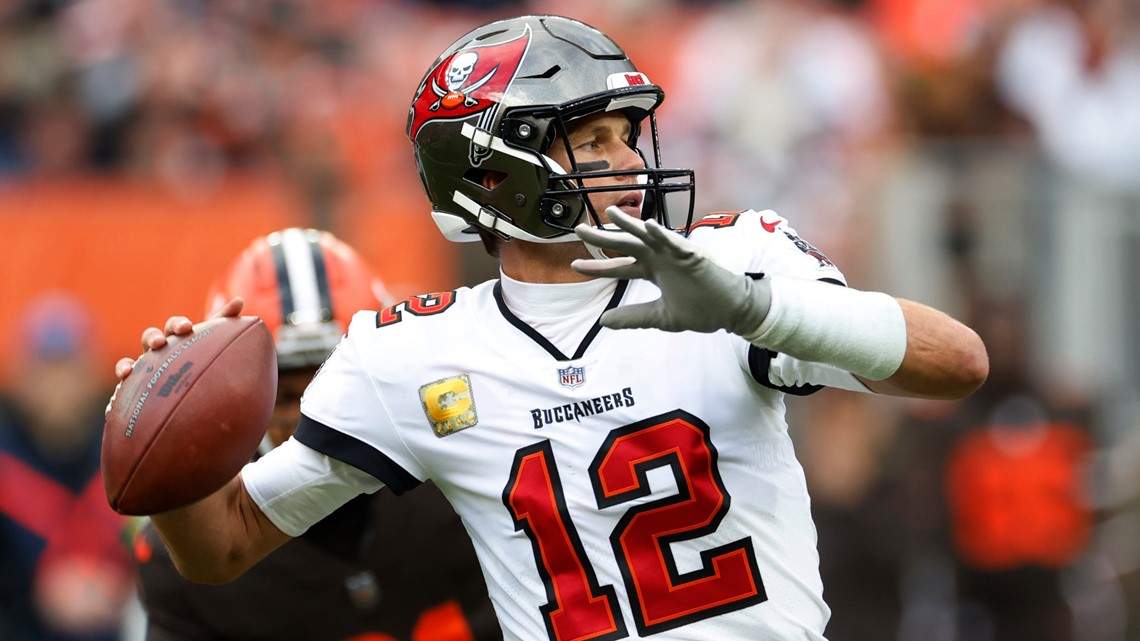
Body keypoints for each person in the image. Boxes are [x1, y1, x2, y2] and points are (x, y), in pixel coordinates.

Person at [110, 15, 989, 640]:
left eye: (626, 134)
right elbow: (220, 548)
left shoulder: (737, 259)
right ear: (492, 174)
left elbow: (957, 364)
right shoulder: (410, 355)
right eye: (592, 141)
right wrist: (164, 431)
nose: (629, 163)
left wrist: (759, 309)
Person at [130, 227, 500, 641]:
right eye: (283, 394)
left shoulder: (461, 475)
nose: (312, 417)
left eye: (329, 386)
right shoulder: (195, 545)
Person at [1, 292, 134, 641]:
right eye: (45, 370)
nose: (58, 388)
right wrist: (34, 593)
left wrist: (124, 587)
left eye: (69, 369)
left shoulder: (128, 445)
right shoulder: (6, 453)